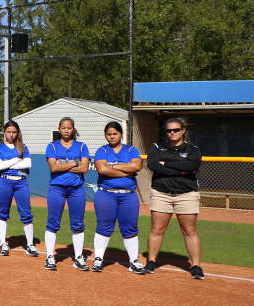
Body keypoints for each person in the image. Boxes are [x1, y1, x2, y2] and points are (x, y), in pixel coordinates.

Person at [145, 117, 204, 279]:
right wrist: (180, 168)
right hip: (161, 193)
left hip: (186, 195)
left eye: (176, 130)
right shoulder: (158, 146)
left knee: (189, 231)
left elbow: (192, 165)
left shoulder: (193, 149)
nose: (172, 133)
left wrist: (167, 164)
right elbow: (153, 165)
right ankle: (151, 262)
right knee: (157, 229)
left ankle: (196, 265)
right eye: (169, 130)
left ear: (183, 131)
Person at [92, 121, 145, 274]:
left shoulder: (131, 150)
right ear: (105, 136)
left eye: (115, 133)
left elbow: (137, 166)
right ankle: (98, 259)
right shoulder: (102, 150)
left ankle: (133, 261)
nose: (112, 136)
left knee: (130, 228)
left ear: (121, 134)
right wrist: (125, 170)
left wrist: (112, 167)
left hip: (128, 195)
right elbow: (102, 169)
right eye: (109, 134)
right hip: (106, 193)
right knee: (104, 226)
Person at [44, 117, 90, 271]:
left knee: (77, 223)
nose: (66, 130)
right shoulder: (52, 146)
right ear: (59, 129)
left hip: (76, 189)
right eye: (63, 127)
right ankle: (50, 256)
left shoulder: (82, 146)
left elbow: (84, 169)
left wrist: (62, 164)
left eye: (69, 128)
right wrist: (73, 163)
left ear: (73, 130)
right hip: (57, 188)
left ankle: (78, 258)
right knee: (53, 222)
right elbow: (54, 168)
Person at [0, 120, 36, 257]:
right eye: (9, 131)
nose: (11, 134)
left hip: (21, 182)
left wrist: (8, 164)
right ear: (4, 132)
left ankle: (30, 244)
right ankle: (3, 244)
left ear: (18, 133)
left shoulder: (23, 147)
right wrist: (17, 160)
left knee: (26, 213)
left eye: (14, 132)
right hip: (5, 182)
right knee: (3, 212)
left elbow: (28, 163)